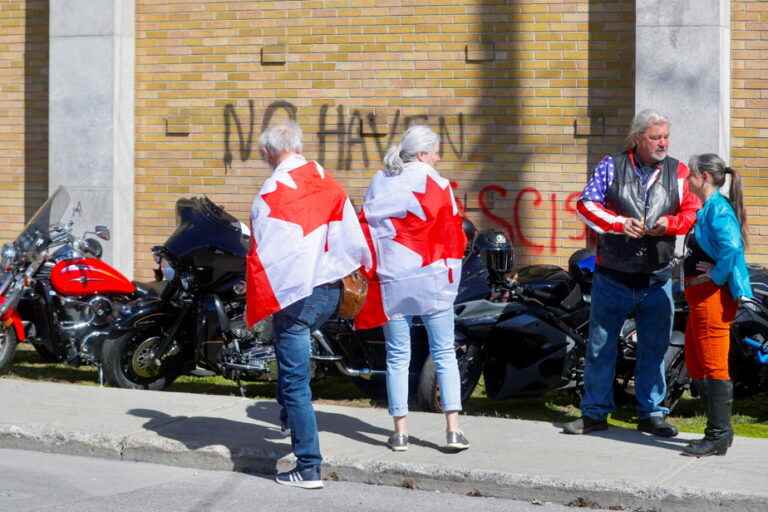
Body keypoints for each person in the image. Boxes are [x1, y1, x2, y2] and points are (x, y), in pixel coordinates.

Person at [246, 121, 370, 489]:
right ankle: (287, 414)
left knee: (296, 380)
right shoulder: (328, 182)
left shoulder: (272, 192)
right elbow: (350, 236)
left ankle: (308, 465)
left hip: (298, 296)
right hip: (331, 291)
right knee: (290, 364)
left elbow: (268, 252)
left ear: (269, 152)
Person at [564, 109, 701, 436]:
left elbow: (691, 211)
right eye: (656, 137)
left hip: (657, 277)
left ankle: (652, 414)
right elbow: (586, 204)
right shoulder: (611, 165)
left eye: (666, 136)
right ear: (638, 137)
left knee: (655, 349)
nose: (663, 143)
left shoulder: (678, 172)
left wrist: (670, 223)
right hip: (613, 275)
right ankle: (595, 413)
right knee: (600, 346)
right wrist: (619, 224)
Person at [355, 125, 469, 452]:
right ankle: (452, 430)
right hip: (432, 278)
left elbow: (368, 227)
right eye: (434, 152)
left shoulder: (380, 180)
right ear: (421, 154)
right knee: (444, 353)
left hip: (392, 281)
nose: (437, 157)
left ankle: (400, 432)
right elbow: (452, 231)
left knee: (397, 358)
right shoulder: (438, 183)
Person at [681, 154, 751, 457]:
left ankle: (718, 435)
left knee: (713, 364)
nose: (687, 179)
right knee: (696, 361)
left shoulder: (718, 210)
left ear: (705, 177)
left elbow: (733, 249)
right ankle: (718, 432)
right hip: (699, 299)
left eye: (691, 174)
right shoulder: (708, 208)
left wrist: (713, 276)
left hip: (712, 298)